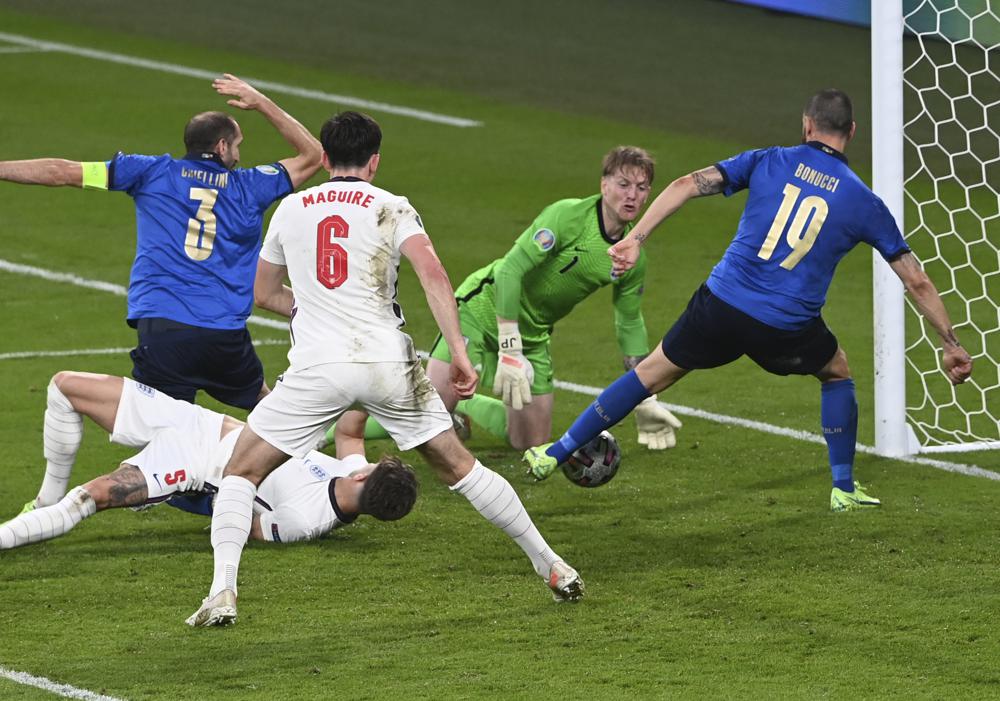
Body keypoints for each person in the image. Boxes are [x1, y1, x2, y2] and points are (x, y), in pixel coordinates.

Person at [188, 111, 583, 628]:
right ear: (374, 162)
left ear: (324, 159)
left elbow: (262, 293)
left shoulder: (290, 208)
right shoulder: (392, 206)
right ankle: (551, 564)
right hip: (387, 363)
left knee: (242, 471)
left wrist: (312, 308)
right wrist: (459, 352)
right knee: (460, 468)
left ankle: (222, 592)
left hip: (319, 367)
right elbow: (433, 274)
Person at [523, 89, 973, 511]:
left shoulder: (768, 159)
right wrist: (950, 343)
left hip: (720, 304)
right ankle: (843, 487)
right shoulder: (864, 201)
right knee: (836, 370)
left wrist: (636, 238)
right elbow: (916, 281)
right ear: (851, 133)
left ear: (806, 124)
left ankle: (555, 452)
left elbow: (685, 183)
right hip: (785, 327)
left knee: (649, 375)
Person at [323, 146, 683, 452]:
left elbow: (629, 322)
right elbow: (510, 271)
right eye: (623, 184)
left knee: (529, 441)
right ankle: (326, 434)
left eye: (641, 187)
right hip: (481, 310)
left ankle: (464, 408)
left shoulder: (632, 256)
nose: (632, 195)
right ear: (604, 185)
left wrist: (644, 393)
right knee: (426, 416)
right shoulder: (568, 217)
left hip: (534, 332)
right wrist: (511, 348)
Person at [0, 74, 321, 413]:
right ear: (222, 147)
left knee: (160, 440)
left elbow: (62, 171)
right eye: (237, 144)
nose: (239, 155)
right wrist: (260, 102)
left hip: (162, 330)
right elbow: (313, 155)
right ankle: (330, 460)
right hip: (223, 336)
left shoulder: (148, 172)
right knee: (271, 421)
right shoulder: (252, 186)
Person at [0, 371, 418, 555]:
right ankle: (41, 504)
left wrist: (191, 490)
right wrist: (366, 380)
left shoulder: (305, 522)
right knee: (64, 386)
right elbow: (350, 433)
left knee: (88, 497)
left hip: (193, 464)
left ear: (368, 475)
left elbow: (246, 528)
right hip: (196, 420)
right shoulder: (348, 473)